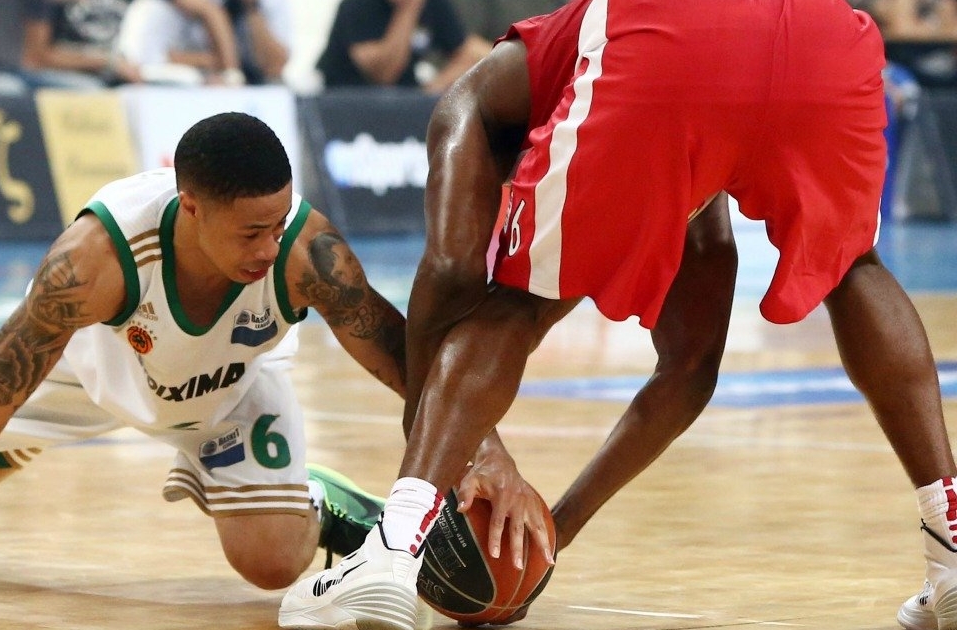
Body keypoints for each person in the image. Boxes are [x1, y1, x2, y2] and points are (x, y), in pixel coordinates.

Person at [278, 1, 957, 629]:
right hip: (824, 35)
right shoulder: (678, 161)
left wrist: (449, 464)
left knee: (519, 302)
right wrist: (555, 526)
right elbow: (689, 370)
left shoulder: (480, 101)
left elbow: (452, 279)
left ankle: (392, 551)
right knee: (855, 267)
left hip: (670, 40)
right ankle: (951, 546)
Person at [0, 112, 406, 605]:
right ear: (191, 207)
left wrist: (456, 467)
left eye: (278, 223)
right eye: (251, 232)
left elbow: (404, 360)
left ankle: (312, 498)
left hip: (231, 386)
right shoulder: (93, 259)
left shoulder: (305, 252)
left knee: (271, 563)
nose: (269, 247)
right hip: (95, 365)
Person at [315, 0, 491, 94]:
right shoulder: (357, 6)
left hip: (404, 98)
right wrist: (407, 10)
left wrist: (436, 87)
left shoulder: (433, 5)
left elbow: (467, 51)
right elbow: (384, 74)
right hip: (348, 98)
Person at [115, 0, 248, 86]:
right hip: (142, 70)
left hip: (161, 67)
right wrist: (230, 71)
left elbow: (174, 57)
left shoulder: (192, 17)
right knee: (195, 78)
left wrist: (223, 69)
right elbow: (212, 12)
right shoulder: (150, 9)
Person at [23, 0, 145, 89]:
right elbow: (37, 57)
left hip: (118, 73)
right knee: (94, 92)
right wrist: (108, 62)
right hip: (63, 75)